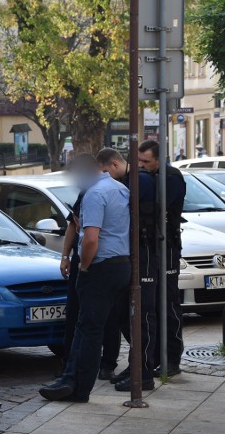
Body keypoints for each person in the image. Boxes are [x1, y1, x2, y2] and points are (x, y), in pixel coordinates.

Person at [39, 154, 131, 403]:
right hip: (122, 265)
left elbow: (90, 238)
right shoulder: (120, 189)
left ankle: (78, 389)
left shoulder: (95, 194)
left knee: (88, 329)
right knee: (89, 327)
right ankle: (70, 379)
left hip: (100, 267)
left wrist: (86, 267)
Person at [97, 148, 159, 391]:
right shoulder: (130, 181)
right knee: (126, 315)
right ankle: (137, 366)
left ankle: (144, 373)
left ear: (113, 165)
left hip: (144, 254)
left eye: (105, 173)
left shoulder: (139, 181)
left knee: (142, 316)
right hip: (133, 254)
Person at [138, 139, 187, 376]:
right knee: (152, 305)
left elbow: (158, 205)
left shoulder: (171, 177)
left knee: (168, 303)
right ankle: (155, 357)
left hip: (167, 247)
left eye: (146, 161)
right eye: (139, 161)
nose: (142, 165)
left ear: (158, 159)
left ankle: (172, 359)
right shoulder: (150, 176)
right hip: (153, 247)